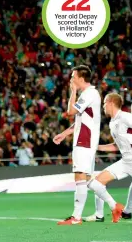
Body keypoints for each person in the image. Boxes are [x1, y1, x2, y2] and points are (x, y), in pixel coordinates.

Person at [53, 65, 104, 225]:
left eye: (73, 77)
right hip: (85, 140)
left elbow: (70, 111)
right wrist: (64, 134)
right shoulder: (89, 94)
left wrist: (73, 91)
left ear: (81, 79)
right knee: (89, 180)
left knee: (80, 177)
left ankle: (76, 217)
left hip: (85, 141)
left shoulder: (89, 93)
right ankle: (112, 206)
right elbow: (79, 122)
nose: (71, 80)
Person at [86, 93, 132, 223]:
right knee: (96, 183)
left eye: (105, 103)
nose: (103, 106)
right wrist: (96, 147)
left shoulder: (125, 117)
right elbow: (116, 146)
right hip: (126, 161)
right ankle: (100, 214)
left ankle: (126, 211)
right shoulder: (113, 123)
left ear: (111, 102)